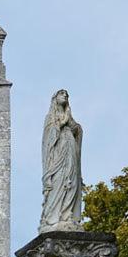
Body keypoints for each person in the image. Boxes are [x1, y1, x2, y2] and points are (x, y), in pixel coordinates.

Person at [39, 89, 83, 233]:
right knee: (59, 183)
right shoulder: (50, 117)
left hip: (70, 153)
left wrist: (74, 126)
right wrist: (62, 122)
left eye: (66, 95)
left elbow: (77, 130)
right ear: (55, 98)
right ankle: (54, 218)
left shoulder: (69, 116)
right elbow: (49, 138)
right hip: (58, 156)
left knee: (71, 182)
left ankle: (67, 215)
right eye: (61, 93)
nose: (65, 95)